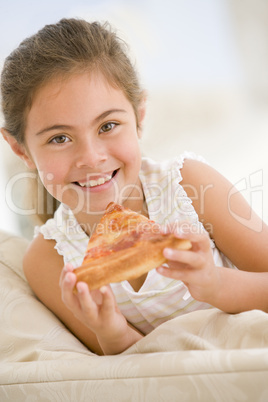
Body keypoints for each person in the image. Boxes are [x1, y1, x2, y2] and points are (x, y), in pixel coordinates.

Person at [1, 18, 268, 356]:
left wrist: (216, 284)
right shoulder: (48, 260)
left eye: (108, 125)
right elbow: (134, 371)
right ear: (20, 150)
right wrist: (110, 333)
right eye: (60, 138)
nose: (91, 157)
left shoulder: (189, 185)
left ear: (139, 117)